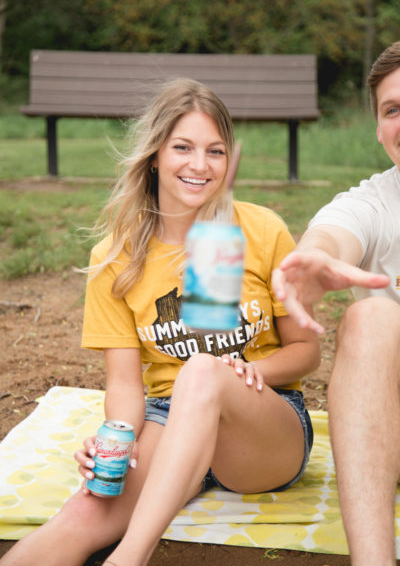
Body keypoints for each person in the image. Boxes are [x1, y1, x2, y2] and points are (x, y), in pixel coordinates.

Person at [1, 78, 319, 566]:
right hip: (166, 417)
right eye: (183, 147)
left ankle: (130, 556)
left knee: (204, 370)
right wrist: (115, 438)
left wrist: (250, 371)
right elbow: (125, 384)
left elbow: (306, 351)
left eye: (215, 151)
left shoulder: (260, 230)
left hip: (263, 421)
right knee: (82, 512)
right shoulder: (117, 256)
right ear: (154, 155)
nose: (200, 165)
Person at [272, 40, 400, 566]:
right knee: (369, 317)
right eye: (393, 109)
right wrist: (316, 258)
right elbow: (331, 235)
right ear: (379, 129)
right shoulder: (374, 203)